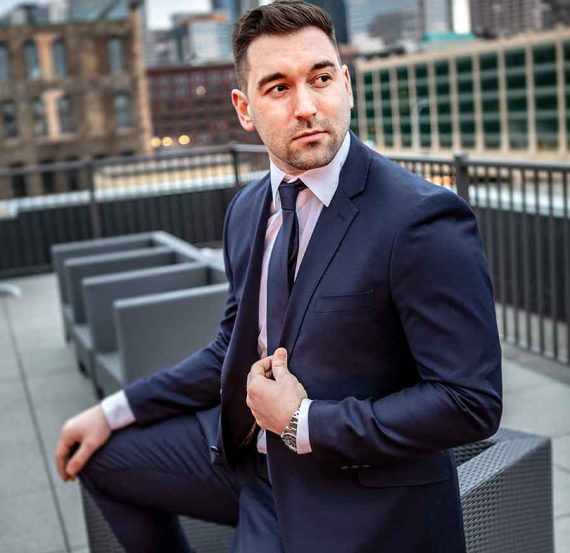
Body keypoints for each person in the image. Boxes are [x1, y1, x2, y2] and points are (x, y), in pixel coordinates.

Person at [54, 2, 502, 552]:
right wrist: (112, 410)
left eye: (320, 78)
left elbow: (468, 402)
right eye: (278, 88)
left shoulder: (422, 218)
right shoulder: (247, 211)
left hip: (353, 495)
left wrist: (302, 422)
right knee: (102, 457)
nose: (307, 106)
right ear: (245, 108)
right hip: (247, 465)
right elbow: (231, 349)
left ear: (346, 84)